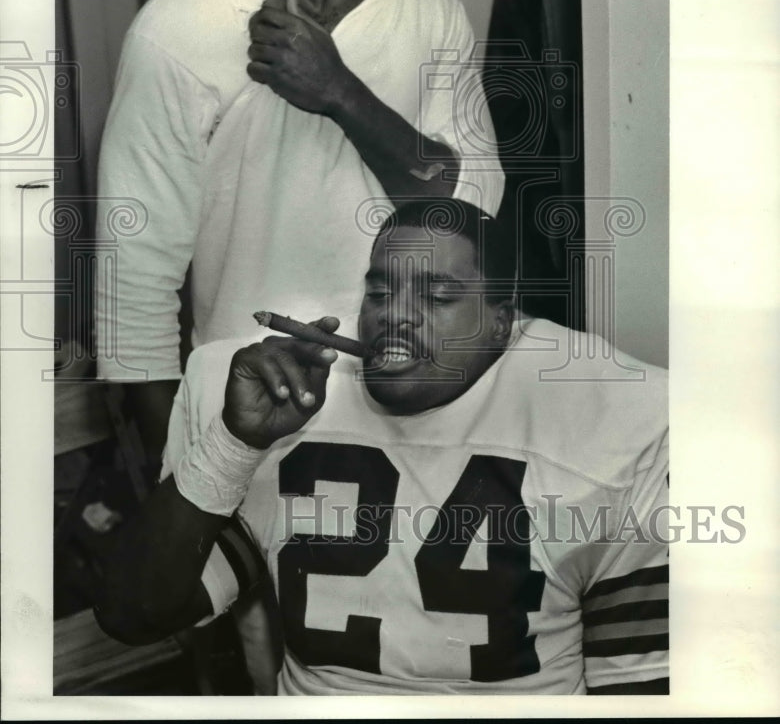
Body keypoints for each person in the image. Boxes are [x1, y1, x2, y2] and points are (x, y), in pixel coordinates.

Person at [95, 0, 504, 464]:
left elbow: (473, 204)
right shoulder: (177, 35)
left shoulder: (432, 14)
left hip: (420, 417)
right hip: (252, 421)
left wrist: (341, 94)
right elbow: (133, 300)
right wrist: (187, 481)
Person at [95, 198, 669, 696]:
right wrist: (234, 443)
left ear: (501, 323)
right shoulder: (290, 408)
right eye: (379, 291)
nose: (394, 315)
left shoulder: (607, 418)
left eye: (438, 296)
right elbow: (133, 613)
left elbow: (640, 684)